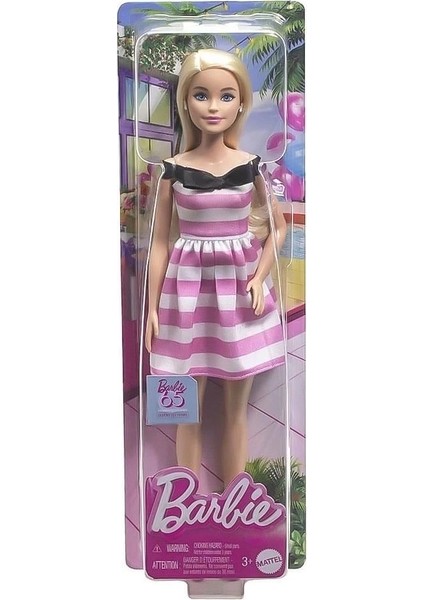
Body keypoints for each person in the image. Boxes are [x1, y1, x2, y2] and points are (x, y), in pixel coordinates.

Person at [145, 48, 287, 489]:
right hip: (187, 297)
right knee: (185, 410)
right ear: (185, 102)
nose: (213, 106)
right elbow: (160, 242)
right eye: (201, 95)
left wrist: (260, 277)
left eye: (226, 96)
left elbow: (278, 229)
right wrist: (151, 307)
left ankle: (236, 502)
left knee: (235, 412)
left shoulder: (251, 168)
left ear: (241, 102)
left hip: (239, 297)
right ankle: (185, 502)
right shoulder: (173, 171)